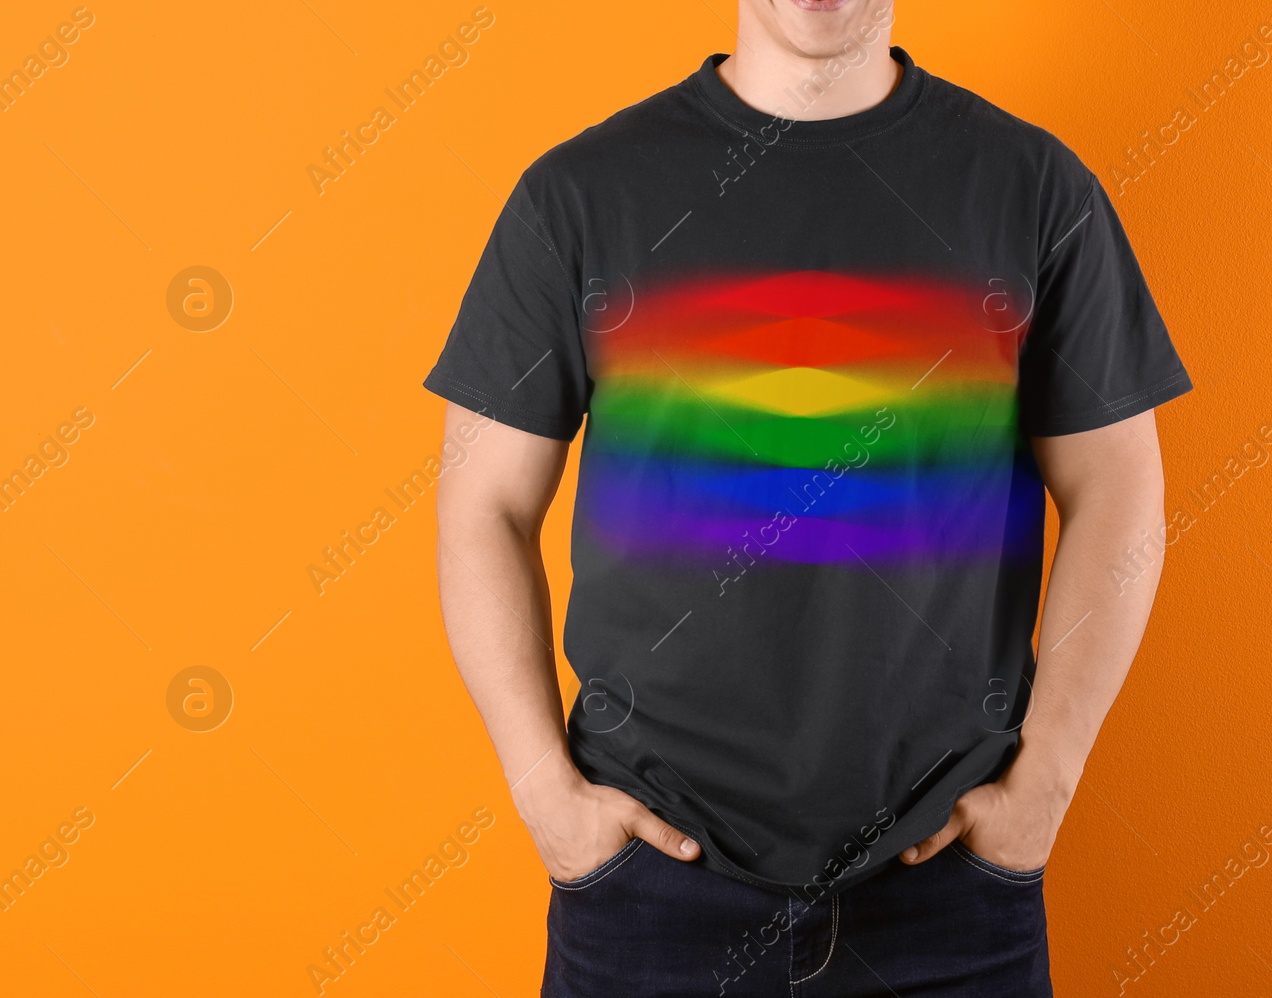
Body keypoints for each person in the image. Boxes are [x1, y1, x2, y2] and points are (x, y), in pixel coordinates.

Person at [425, 1, 1190, 993]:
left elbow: (1118, 487)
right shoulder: (577, 194)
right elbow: (481, 504)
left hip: (948, 896)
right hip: (650, 897)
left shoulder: (1035, 189)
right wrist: (547, 797)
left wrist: (1043, 782)